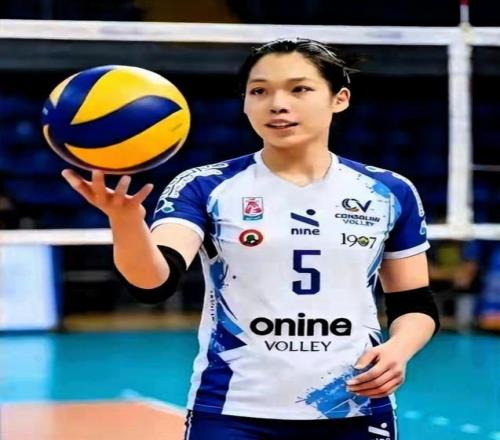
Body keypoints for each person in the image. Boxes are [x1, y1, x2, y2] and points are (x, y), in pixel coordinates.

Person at [62, 38, 440, 440]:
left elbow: (414, 304)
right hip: (233, 411)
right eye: (259, 91)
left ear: (339, 99)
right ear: (244, 103)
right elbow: (153, 282)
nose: (277, 104)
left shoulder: (388, 192)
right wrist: (125, 222)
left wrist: (399, 350)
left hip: (354, 405)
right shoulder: (205, 186)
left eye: (299, 89)